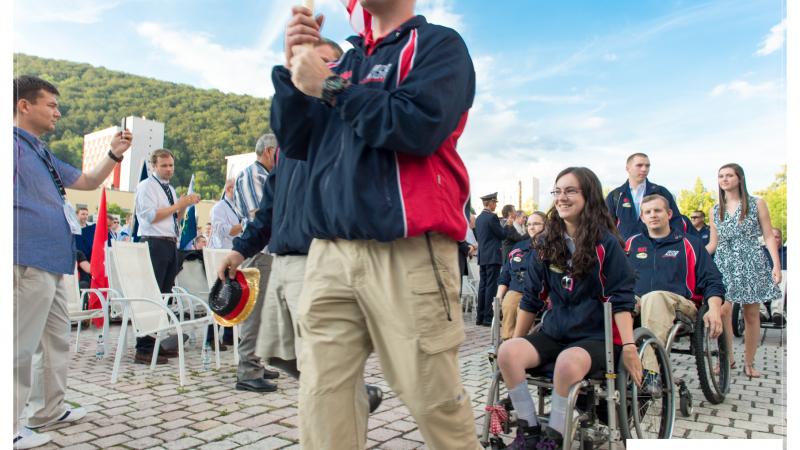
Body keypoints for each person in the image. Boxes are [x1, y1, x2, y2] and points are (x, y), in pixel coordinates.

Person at [273, 2, 478, 448]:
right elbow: (296, 142)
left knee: (434, 402)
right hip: (329, 252)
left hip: (408, 249)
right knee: (323, 401)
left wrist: (329, 86)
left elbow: (418, 125)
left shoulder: (440, 45)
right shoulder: (346, 61)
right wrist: (294, 72)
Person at [13, 75, 132, 448]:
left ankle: (49, 409)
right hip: (25, 258)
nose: (58, 112)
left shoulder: (42, 151)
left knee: (54, 343)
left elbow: (85, 181)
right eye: (51, 104)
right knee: (18, 345)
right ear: (24, 105)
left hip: (52, 263)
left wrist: (114, 154)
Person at [498, 167, 640, 449]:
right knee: (508, 352)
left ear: (588, 195)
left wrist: (630, 347)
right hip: (556, 331)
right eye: (558, 191)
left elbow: (621, 301)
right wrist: (517, 338)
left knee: (566, 362)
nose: (562, 197)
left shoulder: (606, 244)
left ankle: (555, 437)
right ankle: (529, 430)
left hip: (596, 337)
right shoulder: (546, 242)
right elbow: (531, 298)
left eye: (570, 191)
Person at [624, 194, 724, 396]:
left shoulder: (690, 244)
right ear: (642, 217)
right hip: (637, 302)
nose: (653, 215)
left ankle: (651, 373)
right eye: (647, 212)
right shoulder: (631, 244)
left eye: (657, 210)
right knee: (612, 305)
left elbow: (713, 281)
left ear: (669, 214)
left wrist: (714, 309)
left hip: (680, 304)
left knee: (654, 297)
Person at [707, 163, 782, 379]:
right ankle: (727, 358)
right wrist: (693, 255)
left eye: (729, 175)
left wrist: (776, 265)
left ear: (739, 178)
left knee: (751, 314)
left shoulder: (757, 203)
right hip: (724, 263)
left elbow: (768, 236)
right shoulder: (715, 209)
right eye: (721, 176)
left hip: (751, 260)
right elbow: (713, 243)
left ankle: (749, 363)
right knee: (722, 311)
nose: (724, 179)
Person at [134, 148, 201, 364]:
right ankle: (143, 346)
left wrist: (184, 207)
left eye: (171, 165)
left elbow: (175, 217)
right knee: (151, 295)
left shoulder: (170, 188)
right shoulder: (146, 186)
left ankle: (154, 341)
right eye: (164, 165)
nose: (169, 169)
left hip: (170, 241)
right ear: (154, 166)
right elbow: (150, 216)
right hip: (153, 242)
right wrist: (177, 205)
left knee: (164, 295)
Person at [226, 133, 281, 392]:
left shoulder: (260, 175)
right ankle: (248, 369)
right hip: (259, 250)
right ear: (270, 151)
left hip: (265, 249)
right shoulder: (253, 176)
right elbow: (259, 214)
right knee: (255, 313)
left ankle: (256, 362)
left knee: (264, 312)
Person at [605, 153, 682, 239]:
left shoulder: (661, 192)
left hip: (656, 248)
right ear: (627, 168)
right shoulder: (615, 196)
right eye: (639, 165)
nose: (644, 169)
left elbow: (676, 221)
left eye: (647, 166)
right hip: (624, 249)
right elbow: (606, 226)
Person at [476, 193, 524, 327]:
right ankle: (487, 317)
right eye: (495, 203)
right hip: (492, 256)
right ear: (490, 203)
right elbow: (502, 235)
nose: (496, 205)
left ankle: (479, 317)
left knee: (483, 286)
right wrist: (508, 225)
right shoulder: (492, 217)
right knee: (491, 286)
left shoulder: (479, 218)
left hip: (483, 255)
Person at [496, 211, 545, 340]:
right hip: (516, 287)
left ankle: (525, 343)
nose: (531, 227)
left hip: (538, 291)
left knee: (523, 308)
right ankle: (507, 342)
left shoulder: (551, 247)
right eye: (529, 224)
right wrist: (498, 296)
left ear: (546, 226)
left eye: (536, 224)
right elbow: (505, 274)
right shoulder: (518, 246)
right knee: (509, 304)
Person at [208, 179, 243, 250]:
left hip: (238, 252)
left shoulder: (240, 207)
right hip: (222, 253)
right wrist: (246, 223)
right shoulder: (218, 208)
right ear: (228, 189)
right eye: (239, 187)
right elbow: (226, 231)